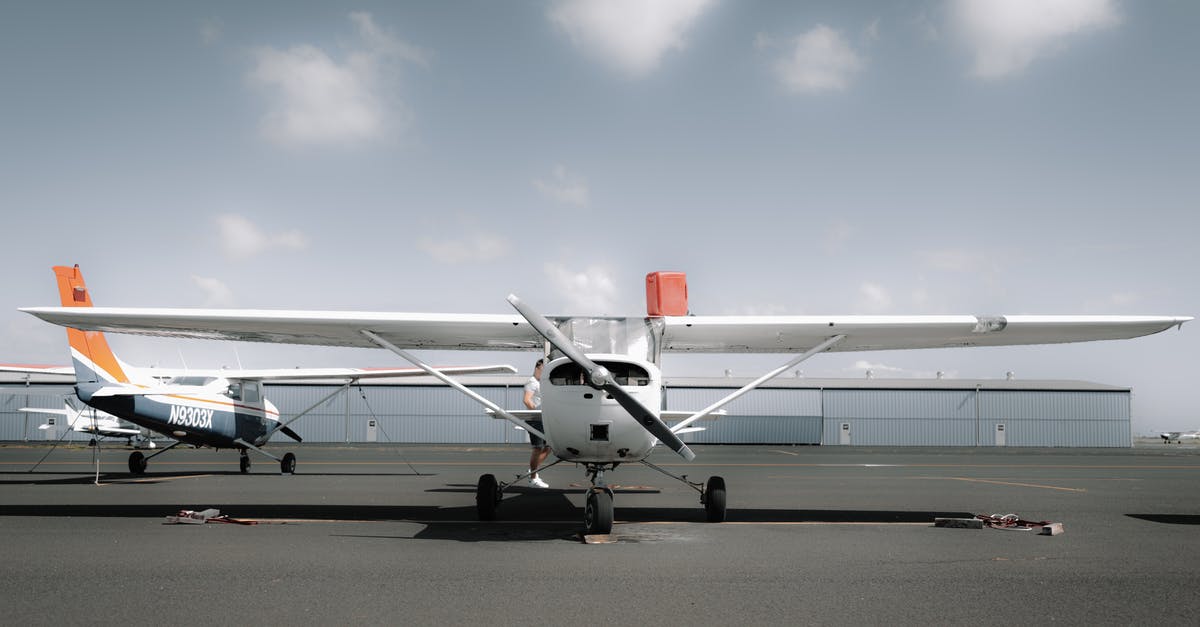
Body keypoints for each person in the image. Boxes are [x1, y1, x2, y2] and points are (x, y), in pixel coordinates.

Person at [524, 358, 550, 488]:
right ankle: (533, 478)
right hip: (535, 419)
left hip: (543, 418)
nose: (544, 373)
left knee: (549, 446)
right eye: (542, 370)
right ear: (537, 368)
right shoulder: (532, 382)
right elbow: (527, 400)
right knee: (537, 448)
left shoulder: (543, 383)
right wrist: (535, 412)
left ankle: (533, 470)